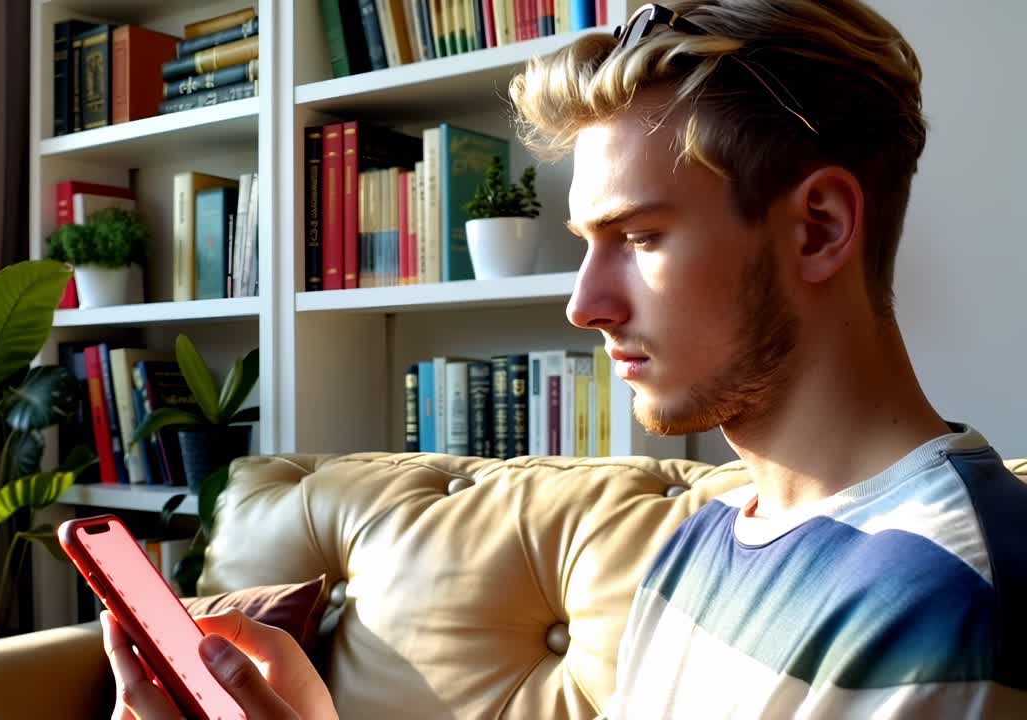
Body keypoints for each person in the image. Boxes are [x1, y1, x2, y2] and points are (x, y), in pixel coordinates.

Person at [104, 1, 1027, 717]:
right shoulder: (715, 532)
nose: (586, 304)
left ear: (818, 228)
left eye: (641, 237)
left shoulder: (950, 598)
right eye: (589, 241)